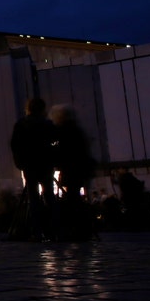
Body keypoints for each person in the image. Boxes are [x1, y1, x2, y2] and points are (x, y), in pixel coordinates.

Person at [10, 97, 57, 241]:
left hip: (30, 165)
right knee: (50, 197)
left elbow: (15, 145)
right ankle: (54, 230)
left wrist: (20, 163)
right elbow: (55, 143)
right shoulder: (48, 124)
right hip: (45, 164)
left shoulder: (22, 124)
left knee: (34, 198)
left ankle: (36, 231)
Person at [50, 105, 96, 242]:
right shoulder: (75, 129)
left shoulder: (65, 130)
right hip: (79, 168)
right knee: (75, 199)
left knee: (73, 200)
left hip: (73, 169)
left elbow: (64, 151)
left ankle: (78, 230)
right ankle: (82, 229)